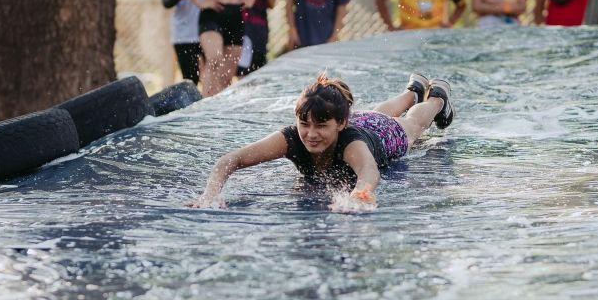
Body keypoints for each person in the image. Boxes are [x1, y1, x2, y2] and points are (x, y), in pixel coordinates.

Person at [185, 73, 455, 210]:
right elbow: (230, 160)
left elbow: (368, 173)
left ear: (341, 123)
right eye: (305, 124)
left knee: (411, 126)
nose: (311, 134)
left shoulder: (351, 144)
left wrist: (360, 196)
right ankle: (412, 90)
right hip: (363, 120)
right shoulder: (292, 137)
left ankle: (436, 98)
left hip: (383, 133)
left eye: (321, 126)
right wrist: (211, 194)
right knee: (375, 113)